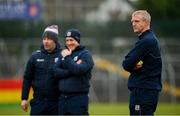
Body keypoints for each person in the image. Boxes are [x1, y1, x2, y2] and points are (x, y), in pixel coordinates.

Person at [21, 25, 68, 115]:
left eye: (49, 39)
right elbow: (27, 78)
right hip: (38, 103)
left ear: (55, 40)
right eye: (44, 39)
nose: (45, 42)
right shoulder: (35, 56)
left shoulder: (63, 55)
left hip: (57, 103)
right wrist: (24, 98)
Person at [122, 10, 162, 115]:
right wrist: (135, 65)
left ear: (146, 23)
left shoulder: (146, 41)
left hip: (143, 91)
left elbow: (126, 64)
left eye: (137, 21)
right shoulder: (150, 39)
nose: (133, 24)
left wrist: (133, 65)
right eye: (132, 21)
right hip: (147, 90)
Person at [54, 28, 94, 115]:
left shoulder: (85, 55)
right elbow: (55, 72)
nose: (69, 43)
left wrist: (67, 58)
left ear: (78, 40)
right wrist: (72, 69)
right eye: (67, 40)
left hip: (78, 99)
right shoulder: (63, 53)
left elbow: (79, 70)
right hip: (62, 99)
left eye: (71, 40)